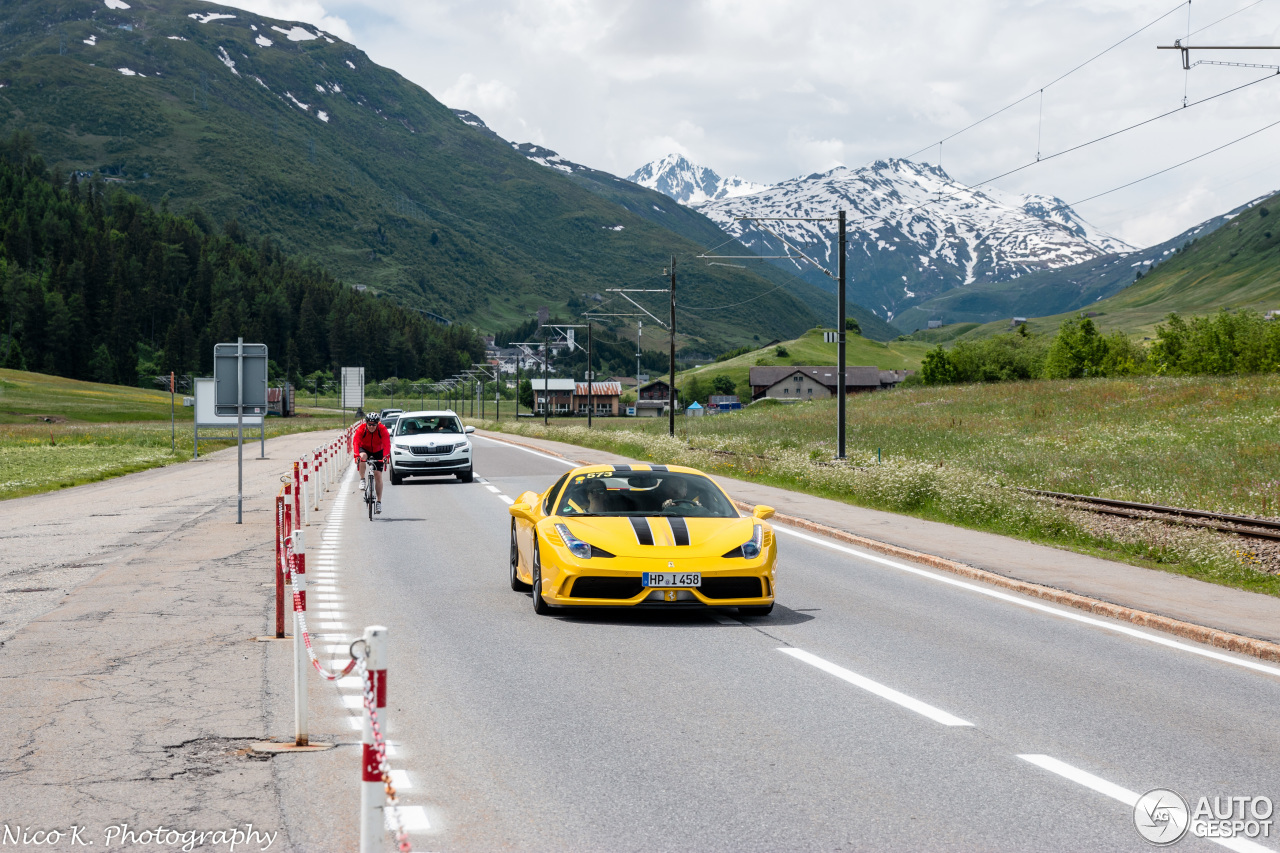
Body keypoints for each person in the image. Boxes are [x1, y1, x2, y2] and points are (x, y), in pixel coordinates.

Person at [352, 411, 391, 514]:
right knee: (363, 457)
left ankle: (378, 502)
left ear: (378, 423)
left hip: (378, 450)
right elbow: (356, 442)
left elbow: (387, 444)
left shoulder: (382, 429)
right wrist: (356, 456)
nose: (372, 426)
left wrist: (386, 456)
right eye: (369, 424)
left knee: (378, 475)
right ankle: (362, 479)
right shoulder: (361, 429)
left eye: (374, 424)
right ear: (366, 423)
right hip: (365, 448)